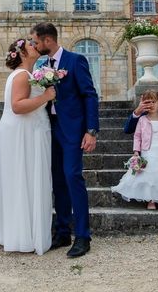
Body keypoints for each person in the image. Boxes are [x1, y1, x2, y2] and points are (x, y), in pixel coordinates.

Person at [29, 22, 99, 258]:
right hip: (51, 128)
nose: (34, 46)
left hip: (73, 130)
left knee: (72, 177)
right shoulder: (43, 65)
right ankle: (62, 232)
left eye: (36, 42)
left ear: (48, 40)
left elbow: (90, 95)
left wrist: (91, 130)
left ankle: (82, 236)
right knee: (57, 180)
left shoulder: (75, 60)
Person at [0, 38, 56, 255]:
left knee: (22, 180)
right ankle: (22, 236)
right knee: (23, 180)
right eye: (31, 45)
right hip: (23, 132)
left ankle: (20, 232)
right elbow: (17, 106)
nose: (36, 46)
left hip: (25, 130)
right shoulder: (22, 76)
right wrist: (46, 96)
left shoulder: (24, 75)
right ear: (23, 54)